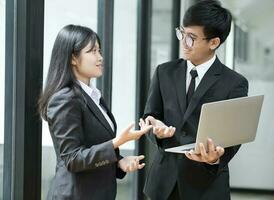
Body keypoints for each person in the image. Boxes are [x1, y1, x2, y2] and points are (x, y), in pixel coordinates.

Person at [140, 1, 248, 199]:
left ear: (214, 42)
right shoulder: (164, 72)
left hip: (206, 185)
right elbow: (150, 115)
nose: (183, 42)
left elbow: (234, 137)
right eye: (182, 33)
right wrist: (156, 129)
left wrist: (216, 158)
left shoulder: (234, 83)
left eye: (191, 38)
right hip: (163, 184)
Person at [39, 24, 152, 200]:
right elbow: (72, 159)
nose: (100, 58)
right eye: (92, 52)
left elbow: (92, 147)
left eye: (99, 51)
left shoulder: (91, 95)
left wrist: (119, 163)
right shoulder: (65, 99)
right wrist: (117, 142)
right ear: (73, 59)